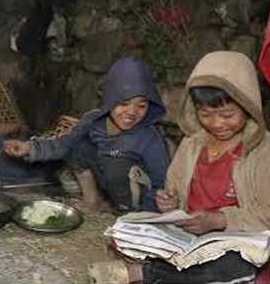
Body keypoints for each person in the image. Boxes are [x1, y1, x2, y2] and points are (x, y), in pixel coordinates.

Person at [92, 51, 270, 284]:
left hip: (232, 242)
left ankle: (142, 274)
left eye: (227, 115)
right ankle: (172, 273)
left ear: (248, 106)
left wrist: (218, 220)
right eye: (205, 114)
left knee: (234, 266)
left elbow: (266, 215)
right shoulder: (192, 144)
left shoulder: (262, 151)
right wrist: (170, 202)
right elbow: (174, 188)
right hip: (187, 238)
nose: (216, 124)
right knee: (121, 233)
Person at [4, 56, 170, 212]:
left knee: (115, 163)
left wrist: (149, 213)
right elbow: (64, 144)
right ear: (110, 100)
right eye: (124, 103)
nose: (132, 112)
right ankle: (93, 201)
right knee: (77, 146)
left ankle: (127, 212)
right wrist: (28, 147)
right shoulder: (93, 120)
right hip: (111, 186)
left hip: (139, 200)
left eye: (141, 106)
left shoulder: (149, 138)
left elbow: (161, 182)